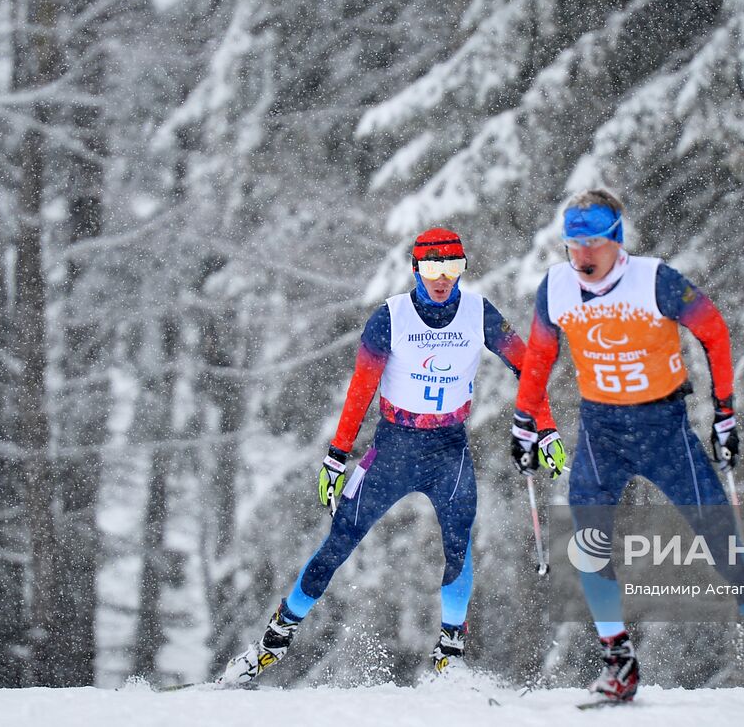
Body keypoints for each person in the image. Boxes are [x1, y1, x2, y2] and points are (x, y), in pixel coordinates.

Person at [510, 189, 744, 703]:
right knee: (587, 545)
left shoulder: (655, 281)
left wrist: (724, 411)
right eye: (572, 244)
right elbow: (541, 355)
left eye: (591, 242)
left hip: (663, 427)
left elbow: (715, 331)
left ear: (616, 239)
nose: (582, 255)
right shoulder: (556, 289)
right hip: (601, 432)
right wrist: (525, 421)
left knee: (724, 541)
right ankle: (619, 665)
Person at [220, 227, 554, 686]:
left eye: (452, 268)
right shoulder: (390, 319)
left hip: (449, 449)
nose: (442, 279)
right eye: (433, 268)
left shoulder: (479, 313)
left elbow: (527, 365)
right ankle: (273, 643)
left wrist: (547, 428)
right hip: (394, 449)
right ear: (416, 269)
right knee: (339, 542)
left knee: (459, 543)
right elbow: (360, 392)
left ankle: (449, 657)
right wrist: (337, 457)